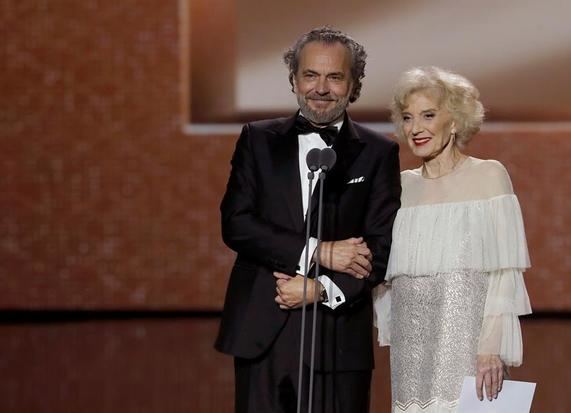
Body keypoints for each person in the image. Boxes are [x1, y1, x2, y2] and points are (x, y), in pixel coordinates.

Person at [215, 27, 401, 413]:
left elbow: (381, 250)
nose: (321, 87)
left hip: (338, 336)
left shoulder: (378, 152)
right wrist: (319, 252)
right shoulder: (257, 139)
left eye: (335, 77)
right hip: (262, 329)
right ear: (294, 79)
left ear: (354, 84)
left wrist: (319, 289)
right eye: (311, 75)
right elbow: (237, 223)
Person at [373, 66, 532, 412]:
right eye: (408, 117)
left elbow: (504, 273)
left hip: (467, 342)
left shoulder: (489, 175)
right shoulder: (400, 186)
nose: (415, 128)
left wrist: (491, 347)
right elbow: (384, 270)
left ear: (456, 120)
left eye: (428, 115)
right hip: (411, 342)